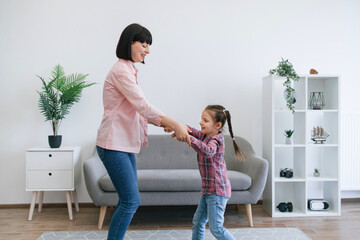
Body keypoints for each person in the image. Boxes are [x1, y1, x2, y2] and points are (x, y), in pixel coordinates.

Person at [96, 23, 190, 240]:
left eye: (149, 46)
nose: (148, 50)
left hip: (123, 144)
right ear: (130, 43)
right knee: (131, 200)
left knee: (127, 200)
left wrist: (162, 123)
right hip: (113, 144)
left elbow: (136, 112)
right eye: (144, 44)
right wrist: (173, 123)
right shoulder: (121, 71)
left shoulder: (129, 70)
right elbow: (143, 105)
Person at [166, 104, 246, 240]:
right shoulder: (206, 135)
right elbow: (194, 131)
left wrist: (189, 138)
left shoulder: (216, 140)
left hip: (217, 191)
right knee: (198, 222)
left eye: (205, 120)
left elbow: (208, 151)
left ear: (217, 125)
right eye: (201, 119)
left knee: (217, 229)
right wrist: (178, 128)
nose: (201, 122)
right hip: (209, 190)